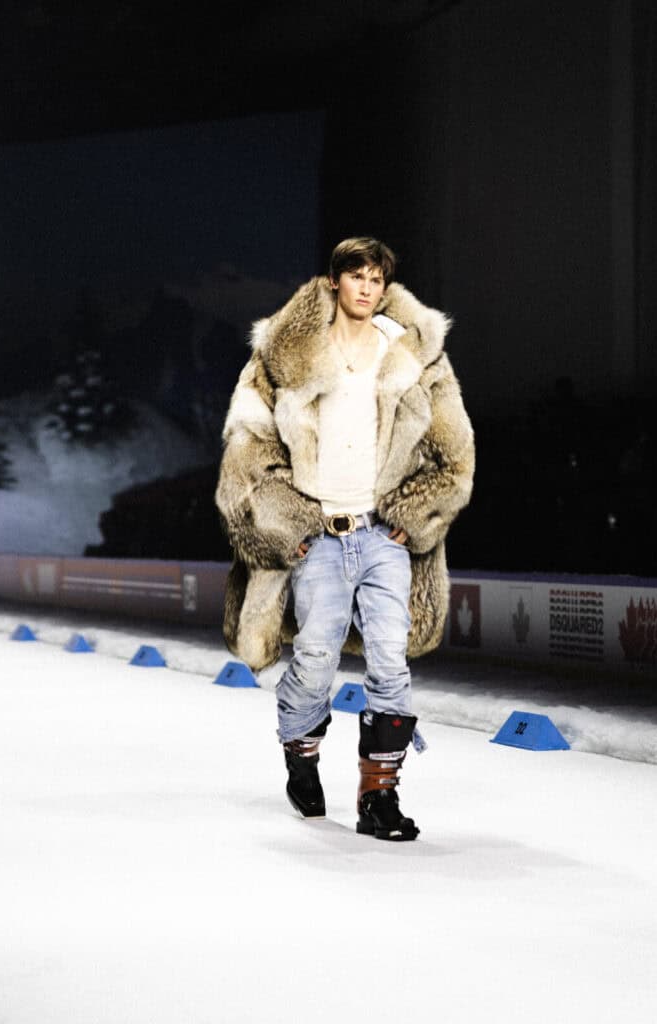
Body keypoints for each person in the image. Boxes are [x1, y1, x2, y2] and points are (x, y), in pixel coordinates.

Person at [215, 237, 474, 840]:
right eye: (356, 276)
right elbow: (248, 453)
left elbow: (454, 452)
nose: (367, 287)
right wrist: (288, 525)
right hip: (320, 538)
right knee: (314, 658)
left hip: (384, 537)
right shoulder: (287, 352)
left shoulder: (413, 353)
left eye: (376, 278)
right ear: (334, 281)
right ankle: (300, 751)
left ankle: (378, 796)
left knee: (390, 660)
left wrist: (418, 513)